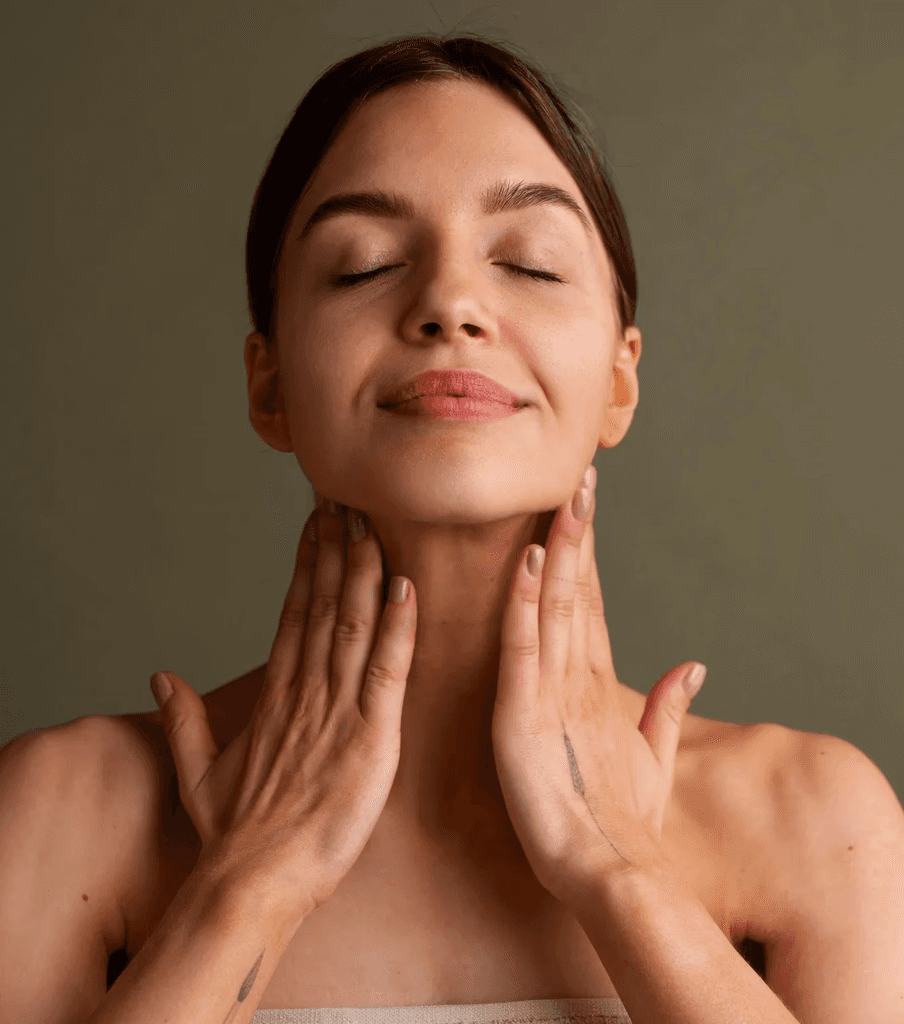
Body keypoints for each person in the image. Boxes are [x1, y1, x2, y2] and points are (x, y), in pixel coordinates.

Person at [3, 33, 903, 1024]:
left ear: (618, 379)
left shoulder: (815, 818)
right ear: (269, 384)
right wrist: (245, 890)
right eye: (365, 266)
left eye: (530, 263)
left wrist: (620, 875)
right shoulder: (65, 812)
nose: (450, 304)